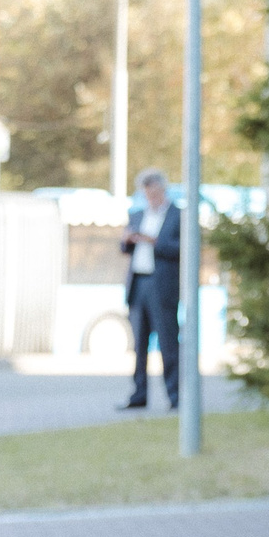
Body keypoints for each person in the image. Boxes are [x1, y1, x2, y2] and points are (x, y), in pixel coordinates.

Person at [117, 168, 182, 413]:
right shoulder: (136, 215)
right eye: (146, 193)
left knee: (167, 343)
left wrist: (152, 240)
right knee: (138, 345)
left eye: (153, 191)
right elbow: (123, 248)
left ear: (162, 189)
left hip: (162, 286)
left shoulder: (177, 216)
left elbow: (182, 249)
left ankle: (174, 397)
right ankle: (139, 394)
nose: (150, 197)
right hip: (138, 285)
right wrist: (127, 239)